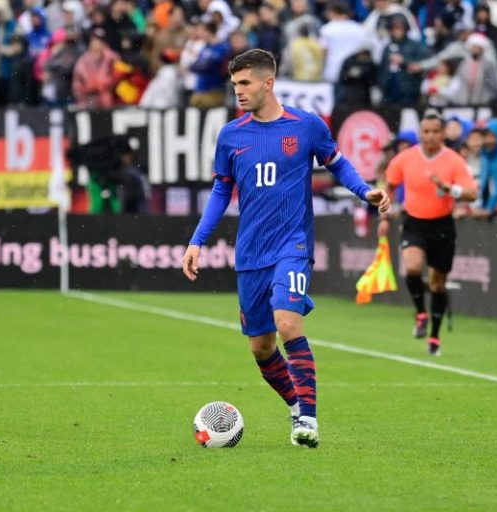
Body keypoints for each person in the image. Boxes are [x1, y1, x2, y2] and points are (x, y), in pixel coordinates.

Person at [181, 49, 390, 448]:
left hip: (292, 245)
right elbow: (222, 189)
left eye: (244, 83)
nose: (238, 91)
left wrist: (366, 191)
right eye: (234, 84)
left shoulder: (306, 126)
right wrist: (197, 241)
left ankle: (308, 421)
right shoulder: (232, 135)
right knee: (261, 348)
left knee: (289, 322)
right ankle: (296, 405)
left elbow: (337, 162)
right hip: (250, 254)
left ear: (268, 82)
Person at [377, 110, 478, 356]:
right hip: (414, 222)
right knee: (412, 267)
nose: (430, 136)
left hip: (442, 225)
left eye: (435, 131)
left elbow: (472, 193)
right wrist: (384, 215)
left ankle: (434, 337)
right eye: (426, 131)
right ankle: (420, 313)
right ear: (420, 133)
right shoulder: (406, 158)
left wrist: (449, 189)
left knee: (437, 284)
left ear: (443, 133)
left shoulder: (453, 161)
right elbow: (388, 184)